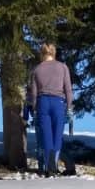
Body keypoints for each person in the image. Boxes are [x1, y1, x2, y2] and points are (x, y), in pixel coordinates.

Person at [28, 43, 73, 177]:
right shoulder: (63, 67)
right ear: (54, 53)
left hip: (43, 103)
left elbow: (34, 94)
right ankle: (54, 164)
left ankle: (49, 167)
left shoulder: (37, 69)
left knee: (46, 137)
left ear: (42, 54)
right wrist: (69, 106)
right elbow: (68, 89)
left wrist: (35, 108)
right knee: (57, 136)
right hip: (58, 102)